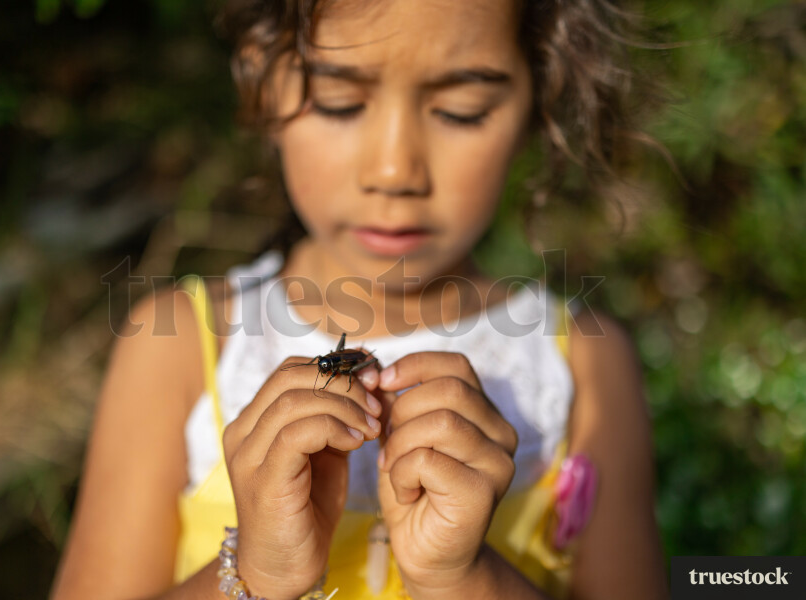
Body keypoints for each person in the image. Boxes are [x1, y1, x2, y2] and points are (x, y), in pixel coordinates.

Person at [50, 0, 669, 598]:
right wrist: (256, 574)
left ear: (541, 95)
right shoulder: (177, 342)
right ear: (263, 79)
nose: (395, 170)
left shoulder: (586, 365)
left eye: (461, 110)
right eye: (340, 102)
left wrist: (462, 580)